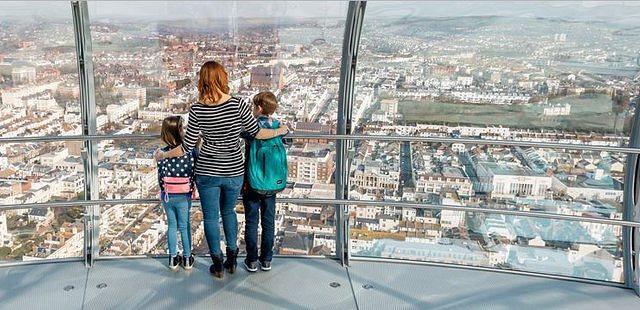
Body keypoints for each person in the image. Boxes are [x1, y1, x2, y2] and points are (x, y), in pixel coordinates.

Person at [155, 61, 288, 278]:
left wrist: (164, 154)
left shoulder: (197, 109)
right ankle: (232, 259)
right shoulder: (239, 105)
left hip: (207, 171)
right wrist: (280, 130)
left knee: (210, 217)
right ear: (222, 78)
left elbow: (187, 146)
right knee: (228, 212)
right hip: (233, 170)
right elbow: (257, 133)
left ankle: (217, 264)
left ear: (202, 81)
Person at [242, 91, 283, 272]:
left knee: (251, 221)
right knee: (268, 222)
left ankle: (251, 260)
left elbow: (243, 134)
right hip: (272, 181)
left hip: (252, 181)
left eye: (253, 107)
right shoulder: (278, 126)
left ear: (258, 108)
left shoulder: (252, 128)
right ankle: (266, 259)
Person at [157, 115, 197, 270]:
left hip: (167, 194)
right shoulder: (189, 152)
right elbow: (194, 172)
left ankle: (173, 258)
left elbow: (160, 176)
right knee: (184, 225)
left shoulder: (162, 153)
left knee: (172, 226)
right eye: (182, 127)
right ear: (179, 131)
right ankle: (187, 258)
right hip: (184, 195)